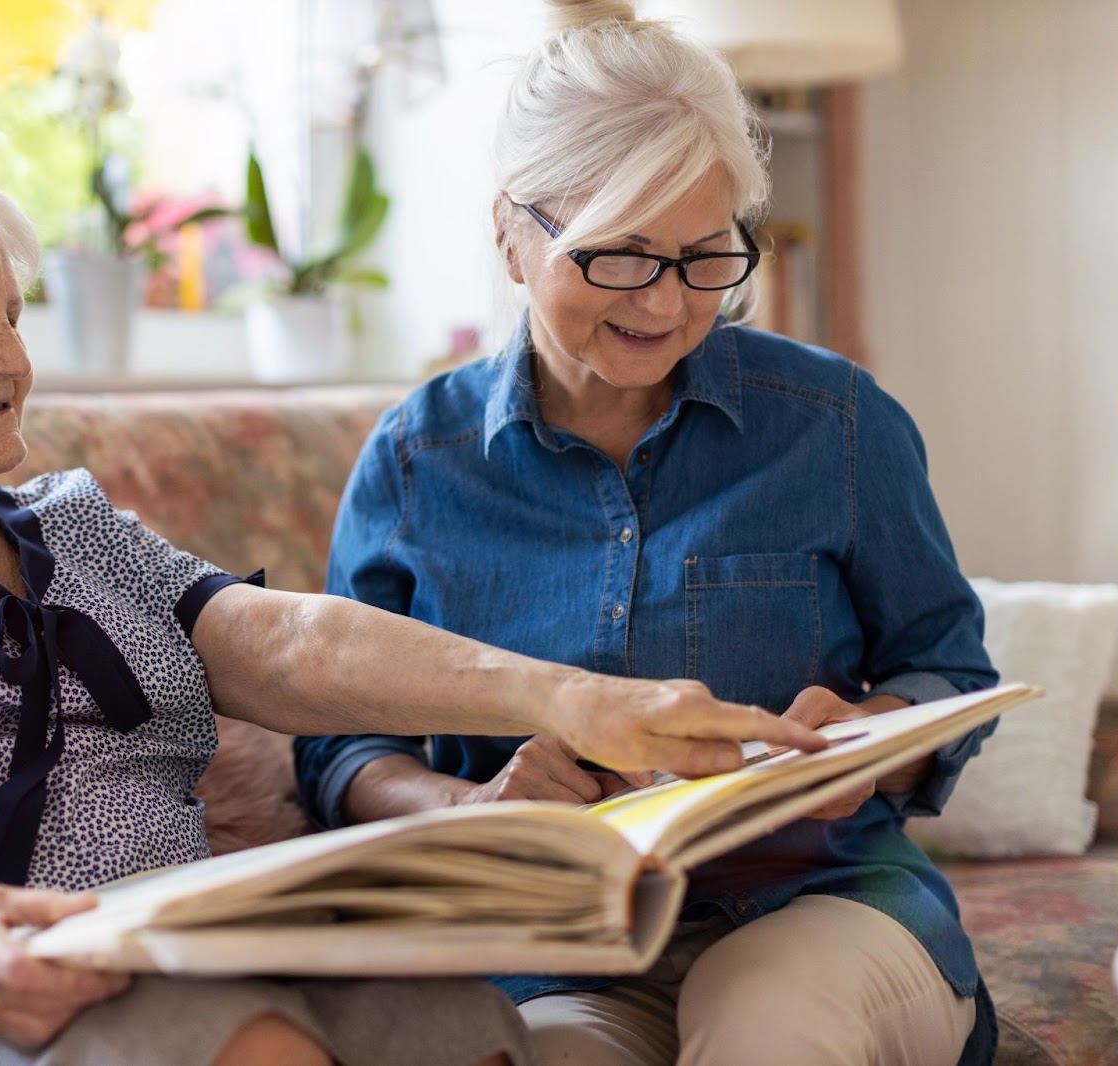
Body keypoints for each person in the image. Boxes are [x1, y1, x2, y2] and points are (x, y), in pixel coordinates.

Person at [0, 147, 825, 1066]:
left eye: (13, 318)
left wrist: (577, 700)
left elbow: (278, 641)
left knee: (459, 1028)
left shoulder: (62, 521)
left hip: (189, 952)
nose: (15, 360)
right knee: (234, 1045)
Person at [294, 3, 1002, 1065]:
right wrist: (471, 803)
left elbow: (948, 667)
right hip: (548, 944)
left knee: (768, 1022)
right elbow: (339, 740)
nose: (666, 304)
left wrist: (865, 741)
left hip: (821, 903)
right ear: (509, 235)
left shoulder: (836, 426)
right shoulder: (415, 459)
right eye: (618, 255)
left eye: (703, 255)